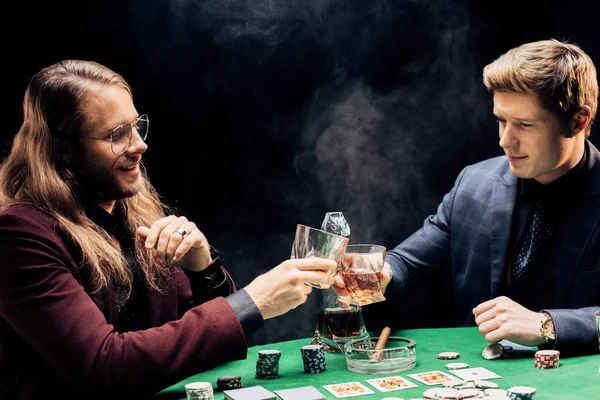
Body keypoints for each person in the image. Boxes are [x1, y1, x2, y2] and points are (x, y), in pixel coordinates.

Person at [0, 59, 337, 399]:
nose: (139, 145)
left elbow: (193, 345)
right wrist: (256, 301)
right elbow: (106, 368)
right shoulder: (18, 237)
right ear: (63, 151)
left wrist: (202, 267)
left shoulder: (137, 212)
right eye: (117, 135)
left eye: (136, 126)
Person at [353, 39, 599, 356]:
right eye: (501, 120)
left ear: (579, 120)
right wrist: (381, 273)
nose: (505, 141)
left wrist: (547, 325)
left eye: (525, 124)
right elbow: (407, 265)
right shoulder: (474, 183)